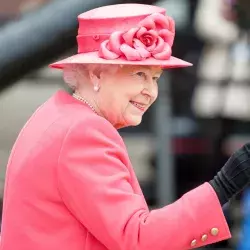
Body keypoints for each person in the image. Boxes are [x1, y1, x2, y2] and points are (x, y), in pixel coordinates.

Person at [1, 3, 250, 250]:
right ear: (97, 74)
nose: (151, 92)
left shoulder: (58, 114)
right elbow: (137, 238)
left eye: (155, 78)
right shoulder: (84, 132)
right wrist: (225, 184)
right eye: (139, 74)